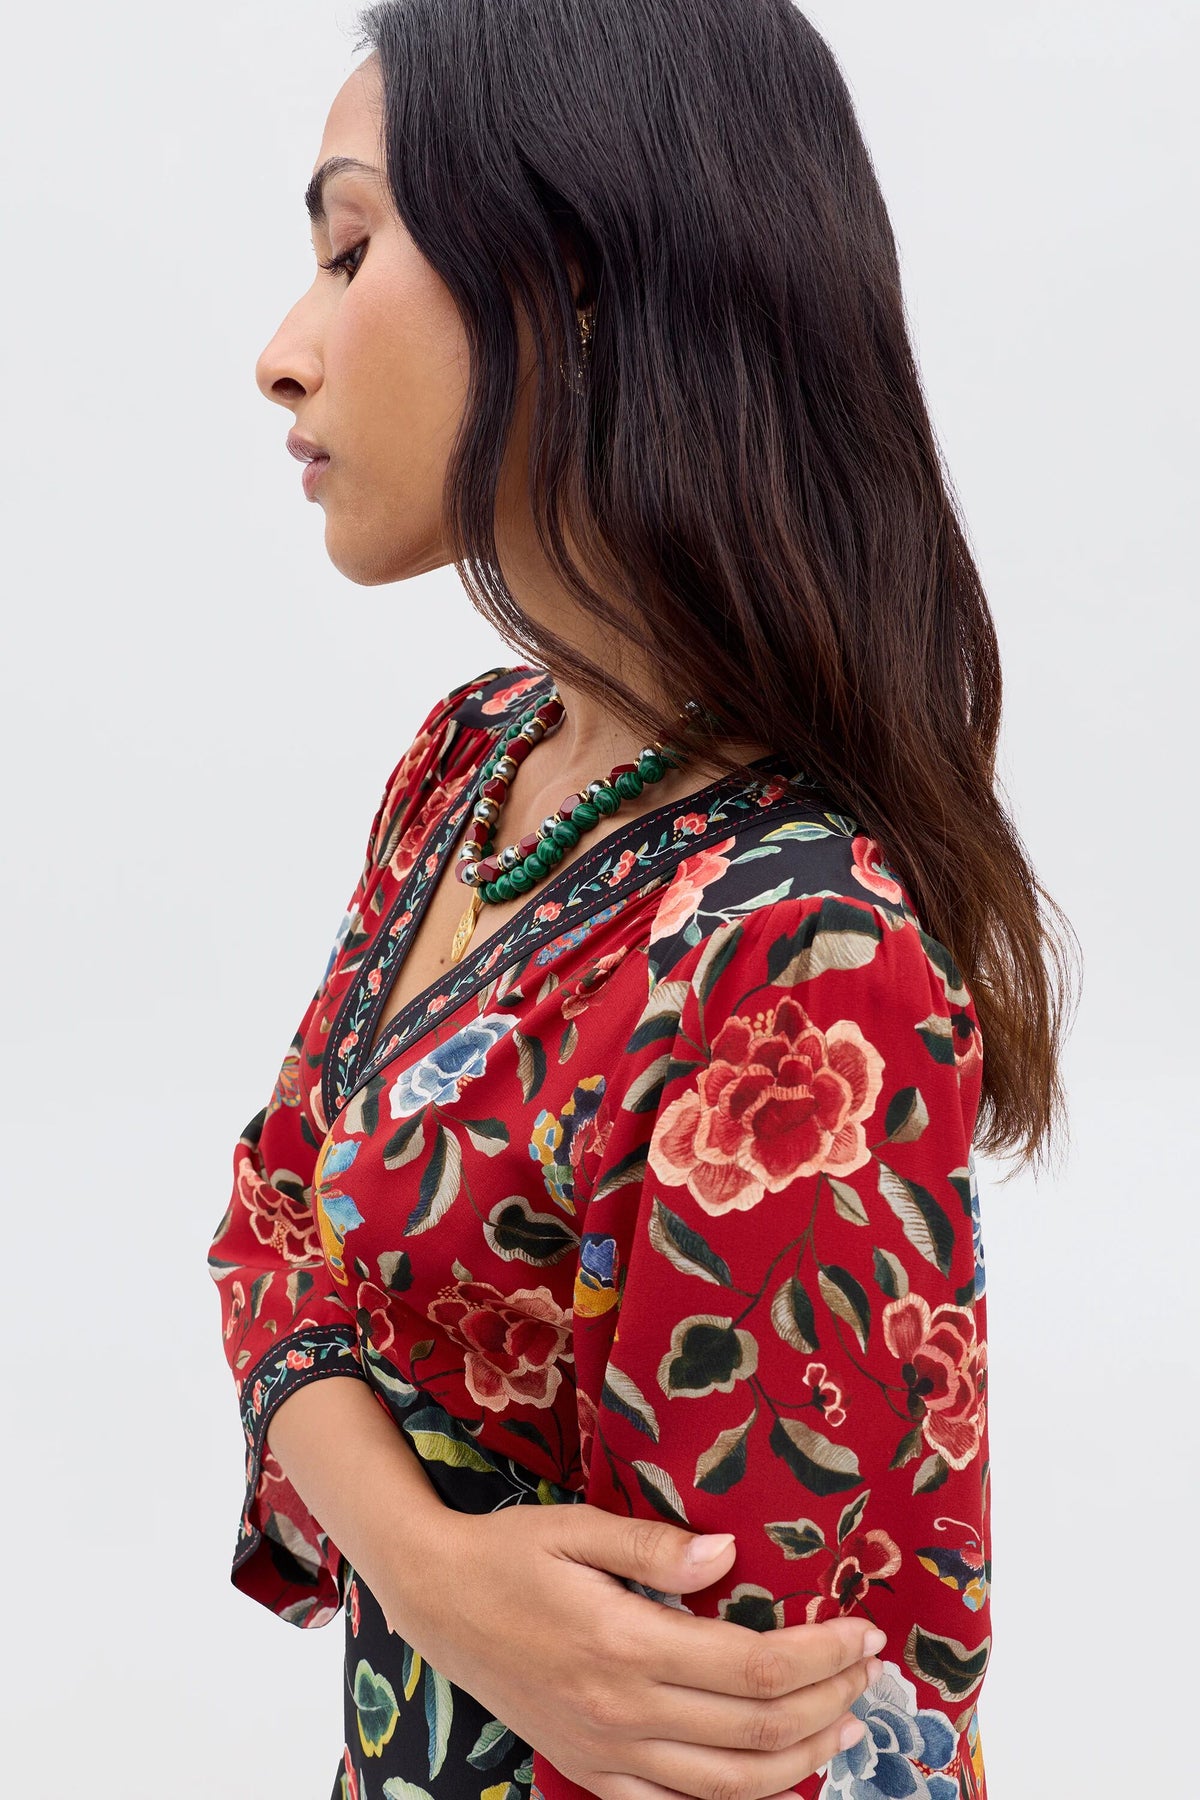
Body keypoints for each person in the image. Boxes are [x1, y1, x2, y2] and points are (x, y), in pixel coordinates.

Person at [207, 5, 1077, 1799]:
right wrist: (443, 1578)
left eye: (353, 248)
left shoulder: (794, 956)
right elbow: (269, 1224)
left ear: (576, 274)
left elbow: (761, 1732)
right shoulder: (474, 768)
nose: (283, 356)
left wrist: (424, 1557)